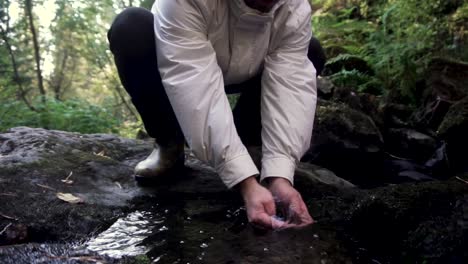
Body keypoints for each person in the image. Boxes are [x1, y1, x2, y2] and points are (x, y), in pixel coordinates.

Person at [107, 0, 326, 230]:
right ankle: (169, 142)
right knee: (130, 27)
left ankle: (249, 142)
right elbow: (193, 80)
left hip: (253, 67)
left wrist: (280, 175)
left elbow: (289, 82)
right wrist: (246, 183)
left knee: (311, 51)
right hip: (182, 59)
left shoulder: (295, 7)